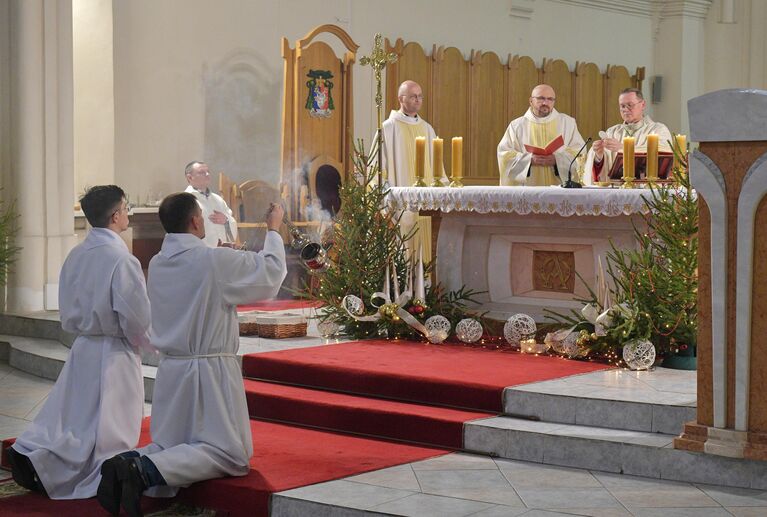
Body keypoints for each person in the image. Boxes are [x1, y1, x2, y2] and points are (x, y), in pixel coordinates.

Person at [97, 192, 287, 517]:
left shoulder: (158, 261)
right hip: (208, 372)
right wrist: (273, 229)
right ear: (196, 220)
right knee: (230, 454)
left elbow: (202, 278)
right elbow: (270, 274)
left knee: (170, 444)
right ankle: (144, 472)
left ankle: (126, 462)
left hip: (173, 369)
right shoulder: (212, 261)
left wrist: (222, 258)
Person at [7, 185, 151, 500]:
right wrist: (148, 343)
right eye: (126, 207)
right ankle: (108, 477)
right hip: (114, 352)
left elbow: (65, 307)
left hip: (84, 346)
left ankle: (41, 456)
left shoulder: (76, 253)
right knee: (112, 427)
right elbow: (135, 316)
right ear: (116, 215)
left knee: (77, 417)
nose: (128, 213)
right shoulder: (121, 259)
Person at [380, 80, 444, 261]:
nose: (418, 100)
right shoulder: (388, 128)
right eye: (413, 96)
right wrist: (385, 198)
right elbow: (377, 170)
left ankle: (426, 288)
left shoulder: (427, 129)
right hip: (400, 207)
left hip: (425, 208)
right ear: (401, 98)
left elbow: (438, 169)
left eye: (420, 96)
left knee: (426, 255)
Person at [497, 84, 585, 186]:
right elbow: (504, 156)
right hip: (528, 189)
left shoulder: (568, 123)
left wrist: (558, 160)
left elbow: (580, 153)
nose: (545, 102)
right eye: (541, 98)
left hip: (560, 189)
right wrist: (529, 160)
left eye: (550, 99)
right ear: (531, 101)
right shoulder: (517, 125)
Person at [584, 88, 673, 184]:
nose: (625, 109)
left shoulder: (658, 130)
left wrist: (624, 148)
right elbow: (599, 171)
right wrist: (598, 156)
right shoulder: (612, 132)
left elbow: (662, 156)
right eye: (622, 106)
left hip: (645, 191)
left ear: (643, 104)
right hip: (616, 192)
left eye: (630, 105)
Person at [184, 160, 239, 247]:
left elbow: (231, 220)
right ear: (190, 177)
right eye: (202, 172)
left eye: (208, 172)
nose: (207, 175)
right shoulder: (185, 200)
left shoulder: (218, 199)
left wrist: (226, 220)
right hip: (199, 252)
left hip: (221, 252)